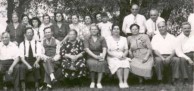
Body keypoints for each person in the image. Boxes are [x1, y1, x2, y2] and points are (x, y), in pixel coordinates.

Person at [151, 21, 180, 86]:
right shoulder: (155, 37)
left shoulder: (172, 37)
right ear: (158, 28)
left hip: (170, 56)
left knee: (177, 60)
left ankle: (174, 79)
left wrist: (169, 58)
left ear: (166, 27)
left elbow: (175, 49)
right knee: (158, 61)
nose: (161, 28)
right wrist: (162, 58)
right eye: (159, 27)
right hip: (159, 56)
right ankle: (160, 80)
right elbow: (155, 50)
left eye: (163, 26)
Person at [106, 23, 130, 88]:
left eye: (117, 29)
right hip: (112, 56)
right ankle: (120, 82)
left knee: (126, 63)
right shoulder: (108, 39)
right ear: (112, 30)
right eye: (114, 29)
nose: (116, 30)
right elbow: (107, 51)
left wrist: (124, 56)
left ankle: (125, 82)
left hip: (122, 55)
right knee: (118, 64)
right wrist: (116, 56)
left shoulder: (124, 38)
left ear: (120, 30)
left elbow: (126, 49)